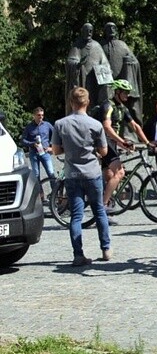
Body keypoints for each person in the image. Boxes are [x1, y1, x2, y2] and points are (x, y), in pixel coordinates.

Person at [51, 87, 112, 266]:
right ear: (87, 103)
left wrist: (68, 149)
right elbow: (104, 150)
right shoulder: (95, 125)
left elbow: (55, 150)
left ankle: (78, 254)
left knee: (76, 216)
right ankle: (106, 249)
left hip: (72, 174)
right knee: (99, 211)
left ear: (71, 102)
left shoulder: (60, 124)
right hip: (92, 173)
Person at [93, 79, 152, 222]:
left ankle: (105, 213)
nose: (127, 95)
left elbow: (135, 126)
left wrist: (147, 142)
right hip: (104, 142)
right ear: (117, 92)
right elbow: (106, 127)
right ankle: (102, 206)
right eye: (125, 92)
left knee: (109, 176)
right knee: (120, 172)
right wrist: (122, 142)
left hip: (111, 142)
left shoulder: (122, 108)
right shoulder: (108, 106)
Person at [65, 22, 111, 114]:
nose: (89, 33)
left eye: (90, 31)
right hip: (82, 79)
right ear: (82, 32)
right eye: (86, 30)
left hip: (95, 80)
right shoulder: (77, 45)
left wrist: (104, 69)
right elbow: (70, 61)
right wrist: (77, 64)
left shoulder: (97, 45)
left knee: (93, 102)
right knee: (81, 99)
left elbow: (105, 63)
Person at [21, 107, 57, 195]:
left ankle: (55, 194)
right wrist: (32, 144)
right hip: (34, 153)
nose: (41, 117)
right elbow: (23, 140)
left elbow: (56, 135)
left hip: (45, 152)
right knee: (36, 175)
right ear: (34, 116)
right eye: (39, 115)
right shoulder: (29, 127)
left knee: (51, 173)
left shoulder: (47, 125)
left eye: (42, 115)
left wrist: (51, 147)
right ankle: (40, 195)